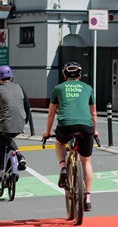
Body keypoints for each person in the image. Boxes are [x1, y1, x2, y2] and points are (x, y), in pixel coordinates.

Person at [42, 61, 98, 212]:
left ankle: (63, 168)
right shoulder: (88, 88)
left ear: (64, 75)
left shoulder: (58, 88)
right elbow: (93, 113)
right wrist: (95, 130)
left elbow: (51, 113)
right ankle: (87, 198)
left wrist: (47, 132)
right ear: (79, 75)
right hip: (86, 127)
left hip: (66, 125)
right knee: (86, 161)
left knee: (60, 143)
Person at [0, 65, 33, 190]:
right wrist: (23, 122)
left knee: (0, 148)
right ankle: (20, 156)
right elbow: (27, 106)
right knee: (8, 139)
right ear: (11, 76)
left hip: (4, 125)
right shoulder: (20, 87)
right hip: (20, 122)